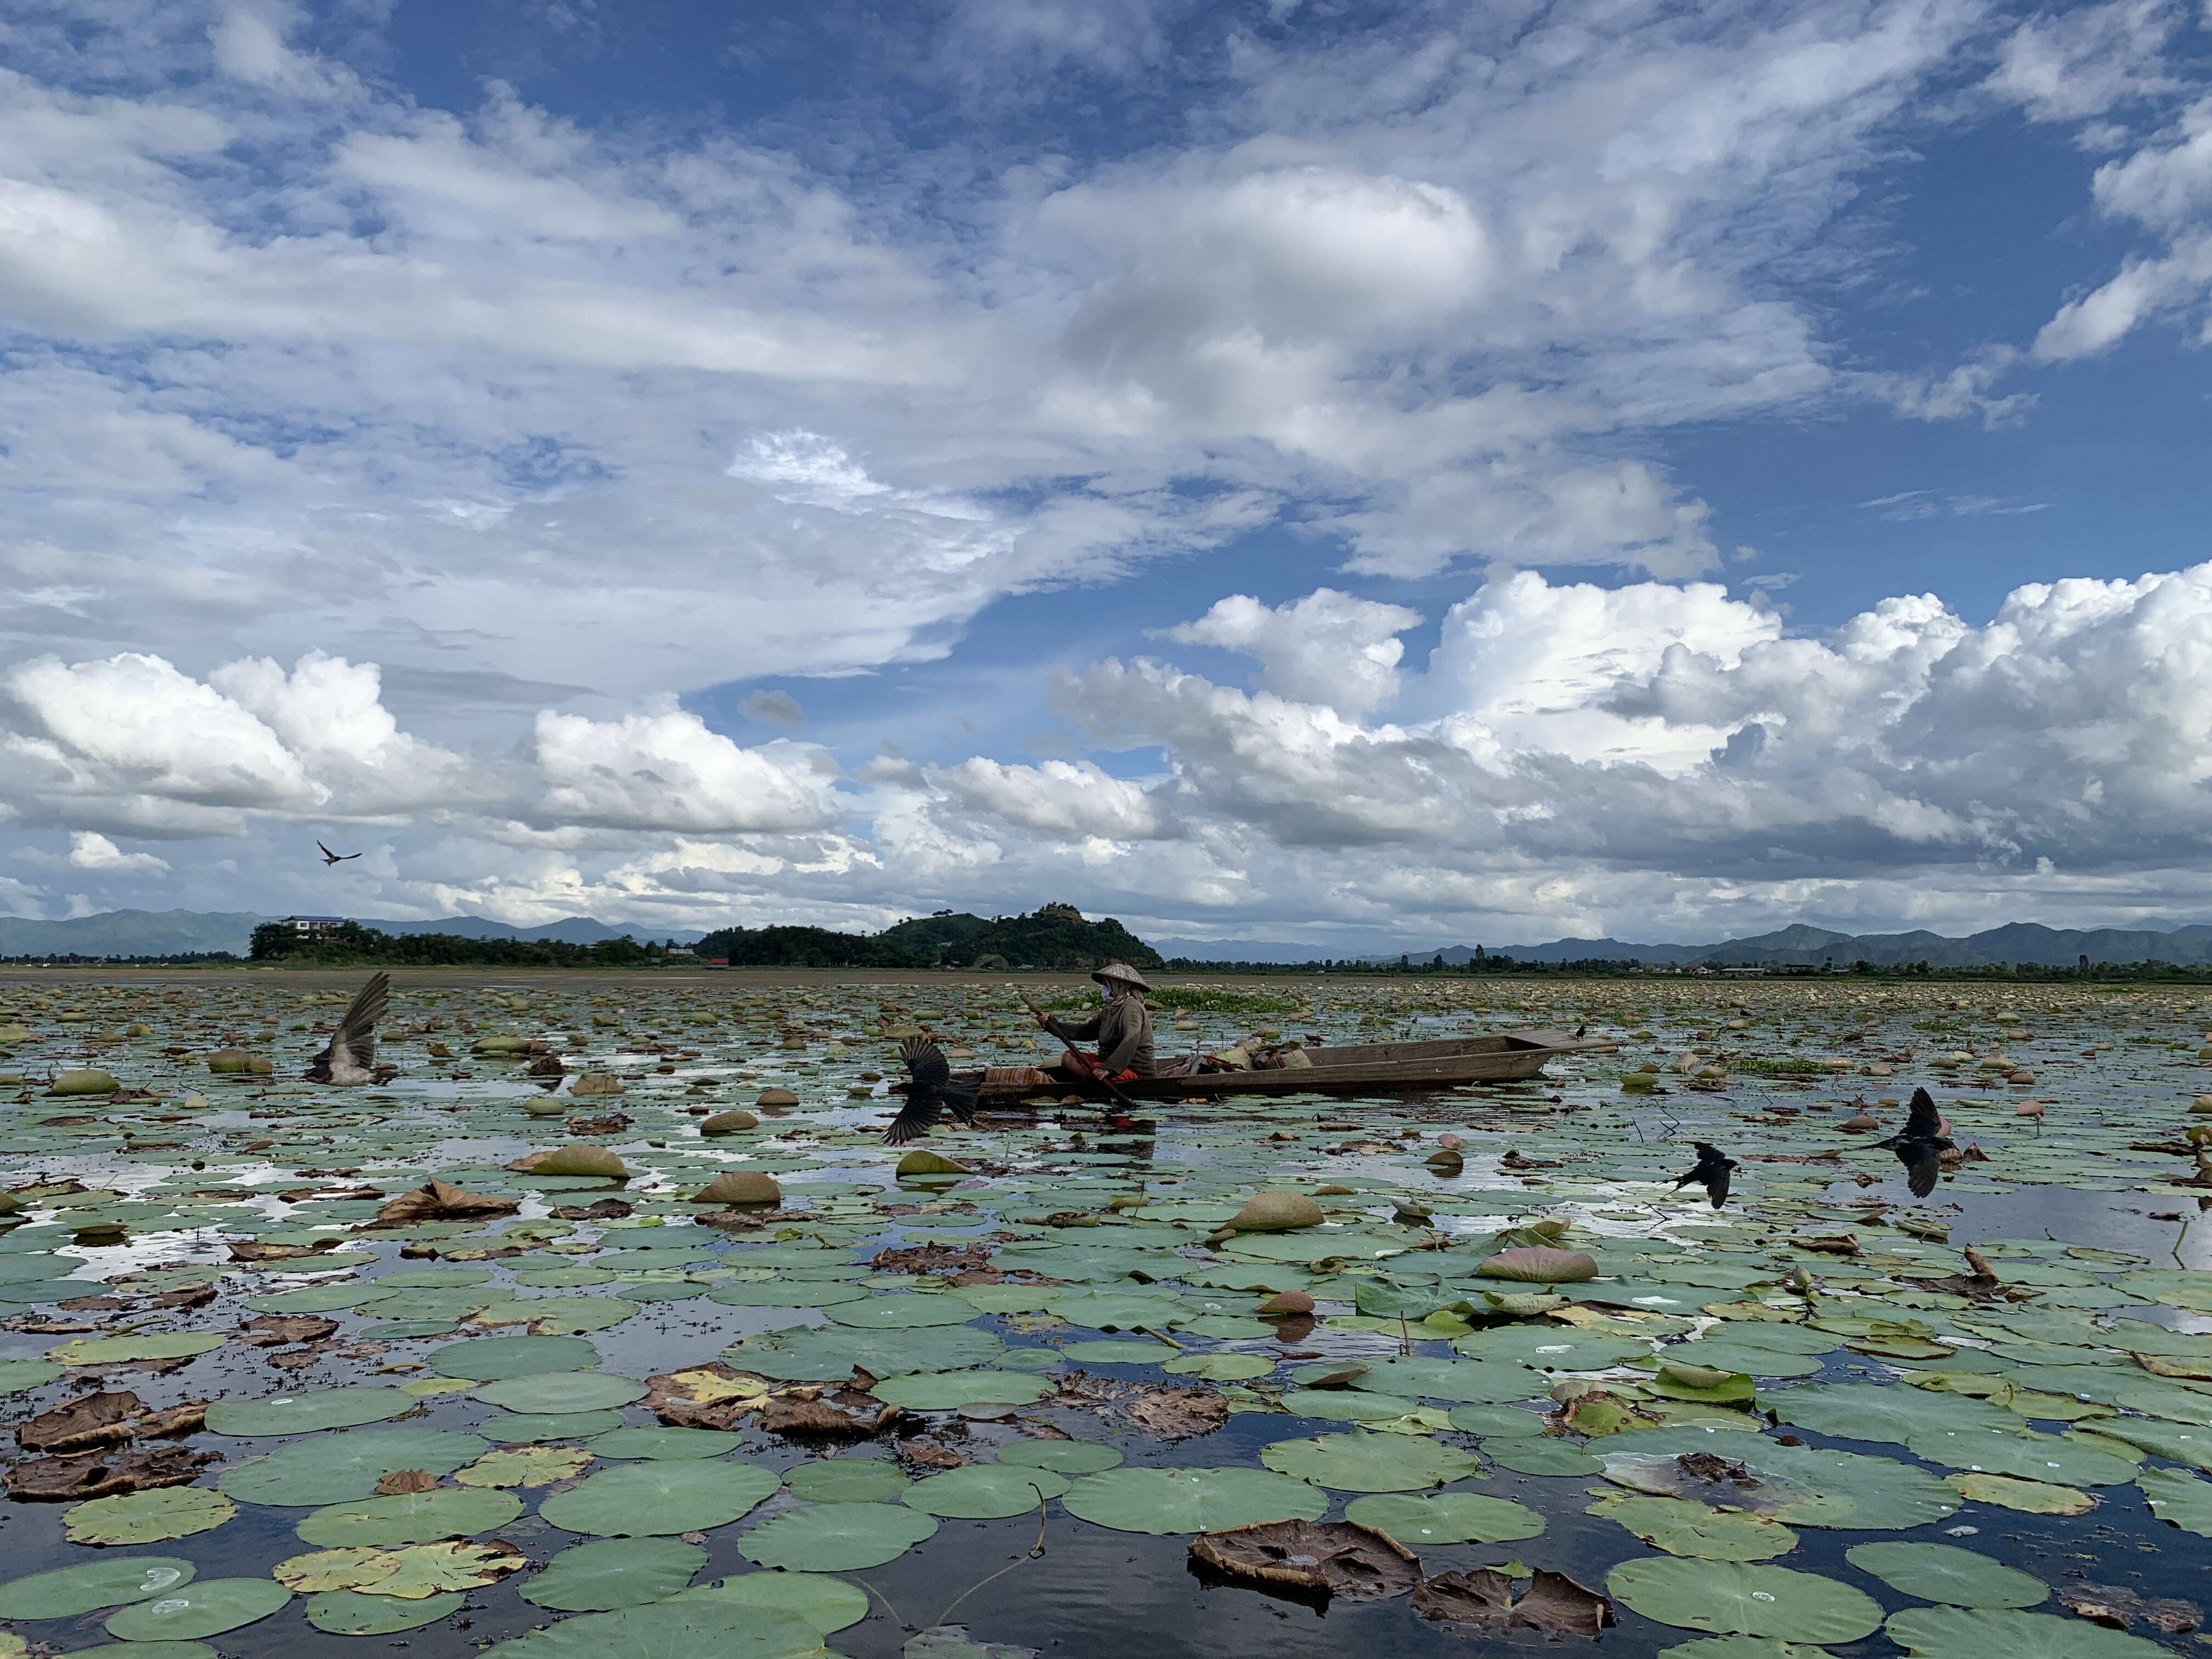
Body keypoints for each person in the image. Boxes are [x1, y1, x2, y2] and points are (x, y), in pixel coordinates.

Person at [1039, 961, 1158, 1081]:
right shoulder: (1110, 1010)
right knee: (1069, 1058)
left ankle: (1089, 1082)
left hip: (1134, 1070)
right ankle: (1089, 1080)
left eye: (1107, 985)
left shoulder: (1131, 1007)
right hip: (1105, 1063)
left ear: (1119, 986)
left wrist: (1109, 1068)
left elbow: (1131, 1039)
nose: (1104, 989)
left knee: (1095, 1069)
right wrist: (1052, 1025)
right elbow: (1086, 1031)